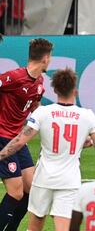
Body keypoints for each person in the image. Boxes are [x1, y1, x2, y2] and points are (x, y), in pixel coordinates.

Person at [0, 68, 95, 230]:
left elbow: (19, 142)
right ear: (76, 91)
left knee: (34, 225)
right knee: (63, 226)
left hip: (43, 179)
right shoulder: (87, 115)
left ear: (55, 90)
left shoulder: (43, 113)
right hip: (69, 181)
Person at [0, 38, 52, 230]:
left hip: (18, 140)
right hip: (3, 137)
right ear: (45, 58)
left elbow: (36, 107)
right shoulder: (13, 77)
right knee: (16, 193)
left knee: (31, 190)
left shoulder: (39, 82)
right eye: (50, 57)